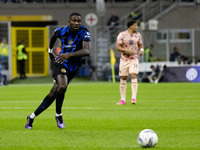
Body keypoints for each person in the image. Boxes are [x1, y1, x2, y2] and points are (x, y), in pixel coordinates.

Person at [25, 12, 91, 129]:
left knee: (53, 93)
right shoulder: (61, 31)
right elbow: (53, 37)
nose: (77, 23)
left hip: (73, 66)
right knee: (62, 87)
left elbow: (86, 51)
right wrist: (50, 51)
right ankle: (58, 115)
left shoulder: (84, 32)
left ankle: (31, 117)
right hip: (61, 62)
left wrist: (69, 54)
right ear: (69, 21)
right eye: (74, 21)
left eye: (79, 21)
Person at [115, 20, 144, 105]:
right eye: (135, 25)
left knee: (133, 75)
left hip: (134, 59)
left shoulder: (138, 35)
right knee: (123, 78)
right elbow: (117, 47)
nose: (137, 27)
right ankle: (123, 99)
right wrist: (126, 50)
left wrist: (141, 50)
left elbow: (140, 44)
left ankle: (133, 98)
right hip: (124, 59)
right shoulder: (122, 35)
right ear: (130, 26)